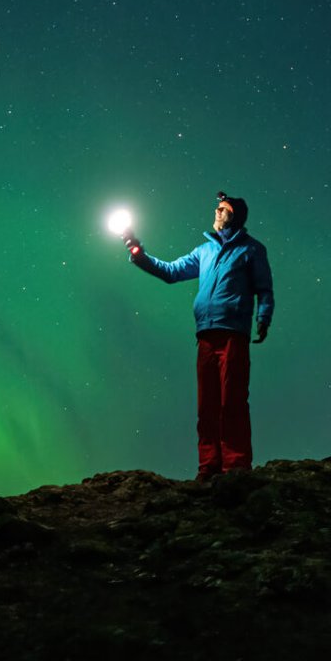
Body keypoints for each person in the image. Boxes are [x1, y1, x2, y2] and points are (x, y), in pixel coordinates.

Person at [126, 194, 275, 480]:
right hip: (206, 335)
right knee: (206, 405)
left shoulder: (251, 250)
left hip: (233, 333)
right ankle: (208, 467)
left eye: (223, 209)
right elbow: (171, 272)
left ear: (235, 216)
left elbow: (263, 288)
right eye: (217, 208)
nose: (216, 212)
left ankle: (235, 466)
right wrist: (138, 252)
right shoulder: (204, 251)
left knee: (231, 401)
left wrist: (263, 317)